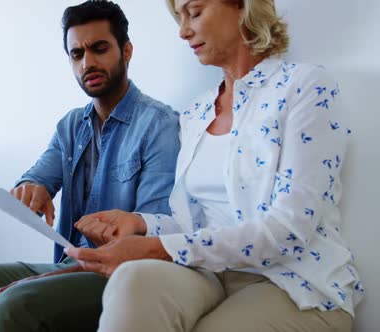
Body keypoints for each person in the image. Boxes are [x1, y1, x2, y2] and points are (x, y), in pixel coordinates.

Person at [66, 0, 364, 331]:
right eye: (179, 18)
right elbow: (193, 225)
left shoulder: (304, 87)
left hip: (295, 284)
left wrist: (157, 246)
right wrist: (141, 225)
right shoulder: (196, 113)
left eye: (194, 13)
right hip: (210, 275)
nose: (183, 31)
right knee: (132, 279)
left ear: (241, 6)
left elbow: (288, 231)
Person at [0, 1, 180, 331]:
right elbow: (40, 175)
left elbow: (150, 237)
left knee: (16, 302)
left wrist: (34, 282)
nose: (88, 63)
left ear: (126, 51)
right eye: (77, 54)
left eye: (100, 49)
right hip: (68, 265)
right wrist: (33, 188)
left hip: (120, 274)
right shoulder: (71, 125)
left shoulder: (160, 125)